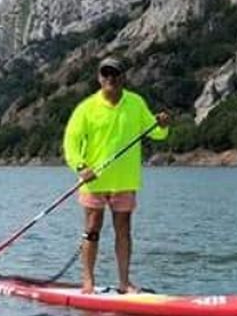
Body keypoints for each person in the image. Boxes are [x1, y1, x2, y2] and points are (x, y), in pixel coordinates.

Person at [63, 56, 171, 294]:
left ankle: (124, 283)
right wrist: (80, 168)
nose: (110, 78)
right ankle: (88, 281)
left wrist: (162, 124)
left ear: (123, 77)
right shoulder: (86, 108)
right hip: (94, 181)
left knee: (124, 230)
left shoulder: (135, 103)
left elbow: (157, 134)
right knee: (92, 229)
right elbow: (70, 143)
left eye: (115, 74)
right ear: (99, 78)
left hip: (125, 180)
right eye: (106, 74)